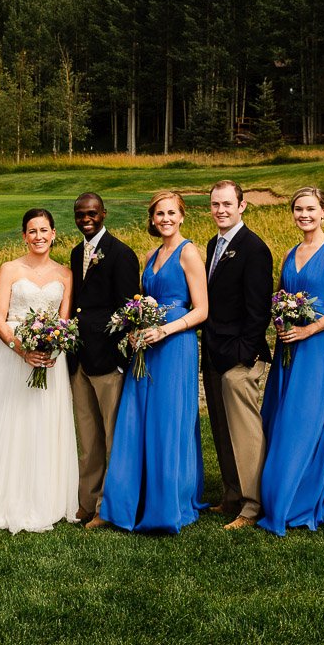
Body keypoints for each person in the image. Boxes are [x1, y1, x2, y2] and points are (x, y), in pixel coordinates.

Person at [0, 208, 78, 533]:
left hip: (50, 358)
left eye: (44, 230)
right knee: (8, 421)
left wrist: (52, 346)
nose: (38, 236)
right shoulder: (9, 268)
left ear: (54, 234)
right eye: (32, 231)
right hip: (12, 355)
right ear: (24, 236)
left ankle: (44, 497)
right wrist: (22, 349)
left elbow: (64, 321)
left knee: (42, 422)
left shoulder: (65, 274)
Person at [100, 190, 208, 534]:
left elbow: (202, 310)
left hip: (175, 347)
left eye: (171, 213)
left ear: (182, 216)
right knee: (137, 420)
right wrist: (136, 330)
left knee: (168, 419)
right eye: (159, 213)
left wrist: (166, 330)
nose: (165, 219)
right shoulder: (151, 255)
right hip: (145, 346)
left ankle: (169, 503)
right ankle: (132, 501)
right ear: (152, 218)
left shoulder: (189, 253)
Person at [258, 187, 324, 537]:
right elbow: (281, 296)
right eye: (299, 209)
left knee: (306, 420)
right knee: (280, 418)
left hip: (316, 347)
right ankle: (277, 495)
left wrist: (309, 329)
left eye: (311, 209)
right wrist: (281, 318)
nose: (304, 215)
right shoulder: (290, 251)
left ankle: (302, 500)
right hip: (289, 346)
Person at [201, 179, 273, 531]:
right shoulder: (214, 243)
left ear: (242, 206)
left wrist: (243, 354)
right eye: (215, 204)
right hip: (213, 352)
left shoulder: (254, 248)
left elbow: (259, 310)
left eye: (227, 204)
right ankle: (231, 494)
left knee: (245, 432)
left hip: (240, 357)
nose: (221, 210)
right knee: (221, 427)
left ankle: (252, 504)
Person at [69, 192, 140, 530]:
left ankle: (110, 507)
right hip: (80, 358)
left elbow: (128, 312)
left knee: (113, 438)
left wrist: (116, 356)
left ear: (104, 214)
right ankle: (88, 502)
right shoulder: (75, 252)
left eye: (92, 213)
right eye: (80, 213)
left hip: (108, 361)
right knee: (89, 438)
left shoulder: (121, 254)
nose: (86, 218)